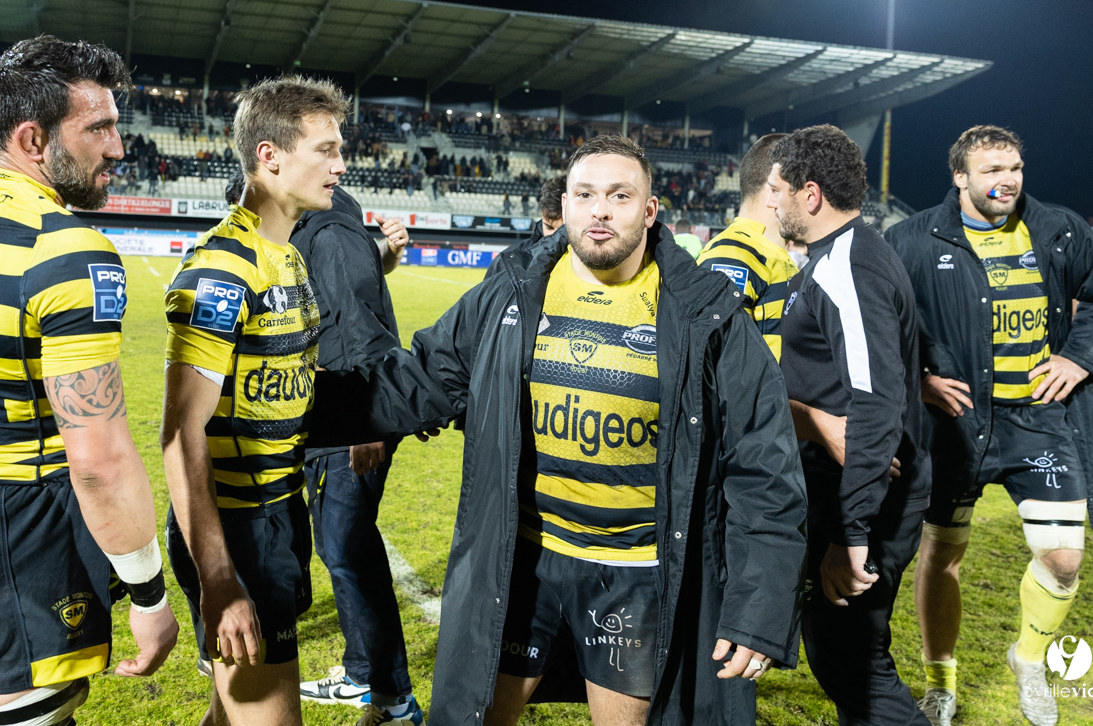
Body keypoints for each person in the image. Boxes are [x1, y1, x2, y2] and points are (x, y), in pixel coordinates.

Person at [313, 135, 807, 726]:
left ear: (650, 211)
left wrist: (759, 606)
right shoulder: (513, 289)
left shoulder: (706, 312)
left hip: (634, 575)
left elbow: (764, 464)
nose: (601, 211)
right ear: (565, 205)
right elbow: (419, 378)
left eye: (620, 196)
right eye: (586, 194)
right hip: (522, 563)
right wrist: (291, 409)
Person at [0, 36, 179, 726]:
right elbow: (99, 460)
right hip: (16, 536)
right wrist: (149, 595)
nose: (118, 148)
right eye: (99, 128)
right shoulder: (67, 252)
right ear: (32, 139)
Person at [884, 125, 1093, 726]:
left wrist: (1079, 359)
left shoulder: (1058, 228)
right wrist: (918, 379)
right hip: (955, 421)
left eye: (1015, 167)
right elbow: (881, 321)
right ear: (960, 177)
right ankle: (940, 684)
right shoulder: (911, 238)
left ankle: (1029, 658)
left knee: (1064, 561)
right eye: (992, 169)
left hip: (1039, 419)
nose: (1008, 180)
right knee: (942, 554)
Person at [159, 75, 349, 726]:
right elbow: (181, 433)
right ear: (270, 156)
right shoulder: (222, 269)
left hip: (278, 511)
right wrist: (219, 578)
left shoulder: (286, 257)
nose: (340, 165)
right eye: (325, 150)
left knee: (231, 712)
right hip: (236, 527)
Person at [768, 124, 931, 726]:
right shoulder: (846, 256)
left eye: (779, 190)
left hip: (864, 497)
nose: (771, 202)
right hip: (856, 488)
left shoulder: (848, 267)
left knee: (854, 663)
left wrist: (850, 534)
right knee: (838, 652)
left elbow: (875, 402)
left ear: (810, 195)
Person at [292, 189, 423, 726]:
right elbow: (350, 287)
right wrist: (387, 255)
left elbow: (359, 322)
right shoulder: (324, 222)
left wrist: (363, 420)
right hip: (334, 415)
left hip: (348, 420)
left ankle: (393, 697)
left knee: (349, 553)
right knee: (340, 550)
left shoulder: (326, 226)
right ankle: (362, 675)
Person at [697, 133, 799, 360]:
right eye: (802, 188)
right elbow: (717, 360)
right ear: (774, 191)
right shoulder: (735, 252)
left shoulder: (767, 253)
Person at [483, 175, 565, 281]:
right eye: (549, 227)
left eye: (563, 230)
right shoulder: (506, 263)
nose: (554, 237)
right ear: (541, 215)